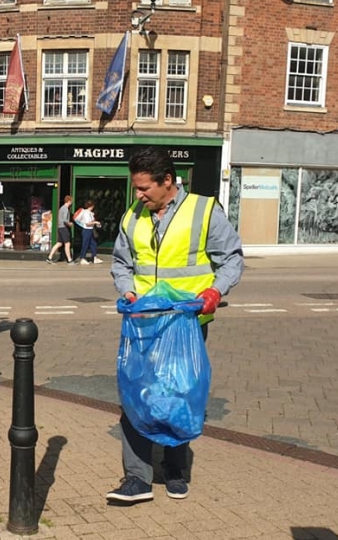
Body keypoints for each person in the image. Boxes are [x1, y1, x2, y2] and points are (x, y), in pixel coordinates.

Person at [107, 147, 244, 504]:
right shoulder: (131, 216)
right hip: (144, 325)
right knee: (135, 394)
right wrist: (128, 291)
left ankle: (175, 469)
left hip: (186, 323)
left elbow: (231, 258)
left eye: (144, 188)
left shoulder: (203, 210)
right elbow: (121, 263)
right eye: (135, 188)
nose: (137, 196)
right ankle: (137, 478)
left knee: (178, 395)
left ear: (167, 181)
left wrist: (215, 291)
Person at [74, 200, 103, 265]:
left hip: (90, 230)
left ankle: (94, 257)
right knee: (85, 244)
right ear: (91, 206)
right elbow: (87, 223)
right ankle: (82, 258)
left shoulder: (89, 213)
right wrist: (96, 222)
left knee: (93, 244)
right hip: (87, 230)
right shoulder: (86, 213)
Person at [46, 195, 74, 264]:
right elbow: (65, 220)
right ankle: (69, 260)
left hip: (60, 228)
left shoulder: (61, 208)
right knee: (67, 244)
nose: (72, 203)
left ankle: (49, 257)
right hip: (64, 228)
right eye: (71, 201)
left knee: (59, 243)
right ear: (69, 201)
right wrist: (70, 223)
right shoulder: (65, 209)